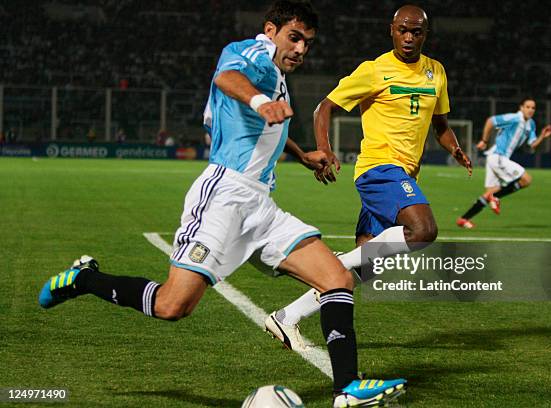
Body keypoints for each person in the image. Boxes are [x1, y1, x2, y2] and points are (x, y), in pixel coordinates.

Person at [38, 2, 406, 406]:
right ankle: (84, 279)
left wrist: (302, 156)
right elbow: (227, 77)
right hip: (224, 196)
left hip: (261, 205)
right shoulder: (253, 53)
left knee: (335, 277)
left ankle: (347, 389)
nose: (301, 49)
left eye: (308, 43)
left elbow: (266, 132)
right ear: (271, 30)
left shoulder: (277, 77)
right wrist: (258, 103)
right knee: (172, 306)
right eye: (294, 37)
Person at [265, 4, 472, 351]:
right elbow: (324, 107)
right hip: (379, 168)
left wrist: (455, 149)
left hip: (404, 173)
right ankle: (325, 264)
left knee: (365, 266)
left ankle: (286, 317)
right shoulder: (375, 70)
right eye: (402, 30)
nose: (408, 37)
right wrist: (324, 149)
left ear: (425, 34)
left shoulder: (436, 72)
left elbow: (441, 125)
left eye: (416, 32)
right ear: (391, 29)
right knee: (423, 230)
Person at [456, 98, 551, 229]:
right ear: (521, 108)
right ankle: (495, 197)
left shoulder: (531, 124)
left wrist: (542, 136)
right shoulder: (514, 118)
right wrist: (484, 141)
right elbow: (491, 121)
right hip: (498, 157)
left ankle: (463, 219)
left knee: (488, 194)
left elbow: (532, 144)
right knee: (526, 179)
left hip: (495, 159)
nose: (530, 110)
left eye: (533, 108)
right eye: (527, 107)